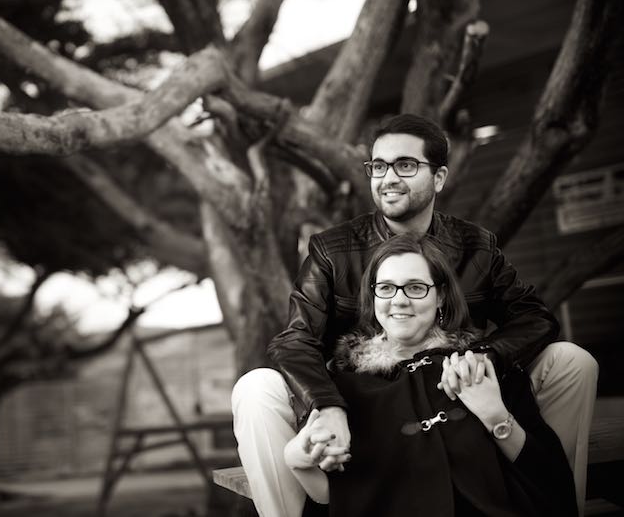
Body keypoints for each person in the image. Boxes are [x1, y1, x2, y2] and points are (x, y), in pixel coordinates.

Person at [232, 114, 598, 517]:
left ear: (438, 177)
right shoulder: (332, 250)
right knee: (255, 388)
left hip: (458, 393)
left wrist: (481, 360)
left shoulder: (476, 246)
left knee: (572, 362)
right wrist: (328, 405)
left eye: (405, 165)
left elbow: (535, 317)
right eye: (378, 166)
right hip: (365, 404)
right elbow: (296, 339)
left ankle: (552, 504)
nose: (388, 178)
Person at [282, 234, 577, 517]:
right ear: (373, 297)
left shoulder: (486, 368)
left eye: (415, 287)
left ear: (440, 296)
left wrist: (495, 416)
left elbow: (551, 481)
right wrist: (296, 460)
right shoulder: (345, 390)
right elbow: (337, 501)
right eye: (386, 288)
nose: (399, 300)